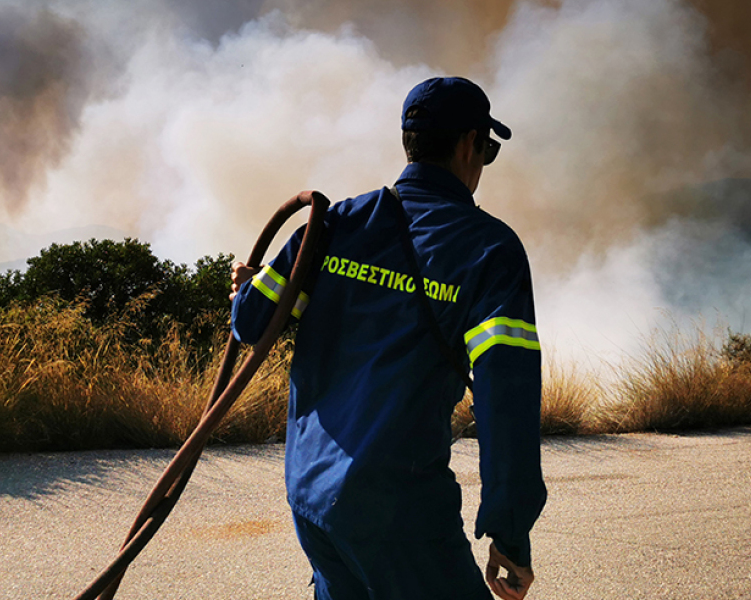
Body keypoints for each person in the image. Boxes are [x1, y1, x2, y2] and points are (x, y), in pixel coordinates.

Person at [229, 77, 546, 600]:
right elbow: (505, 398)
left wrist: (248, 287)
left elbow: (250, 323)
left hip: (312, 496)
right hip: (400, 509)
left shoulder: (334, 225)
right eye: (487, 149)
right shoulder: (490, 251)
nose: (483, 161)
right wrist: (510, 528)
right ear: (470, 144)